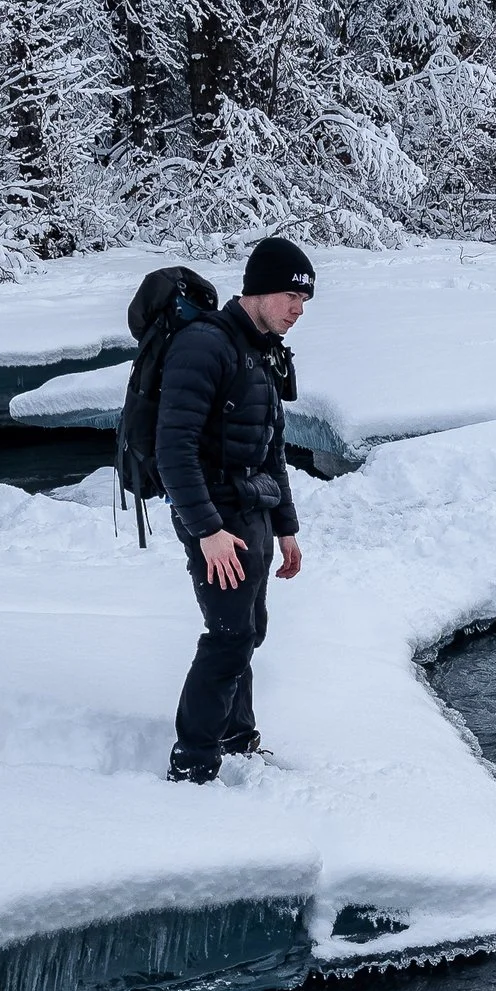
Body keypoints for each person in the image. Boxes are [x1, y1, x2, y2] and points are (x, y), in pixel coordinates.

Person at [155, 235, 316, 782]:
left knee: (248, 630)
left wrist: (286, 527)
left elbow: (271, 449)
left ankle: (237, 738)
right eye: (292, 296)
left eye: (304, 300)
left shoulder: (263, 351)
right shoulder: (205, 345)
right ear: (260, 290)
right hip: (215, 516)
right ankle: (192, 763)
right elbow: (173, 448)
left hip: (251, 512)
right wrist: (207, 530)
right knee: (229, 638)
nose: (298, 310)